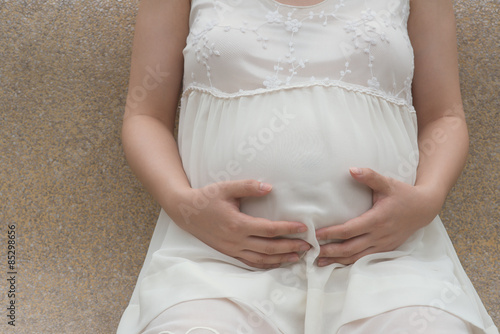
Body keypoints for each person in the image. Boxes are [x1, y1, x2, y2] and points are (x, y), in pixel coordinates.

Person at [117, 0, 498, 333]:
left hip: (390, 260)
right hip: (218, 261)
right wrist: (185, 205)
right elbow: (145, 115)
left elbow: (444, 117)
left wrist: (428, 198)